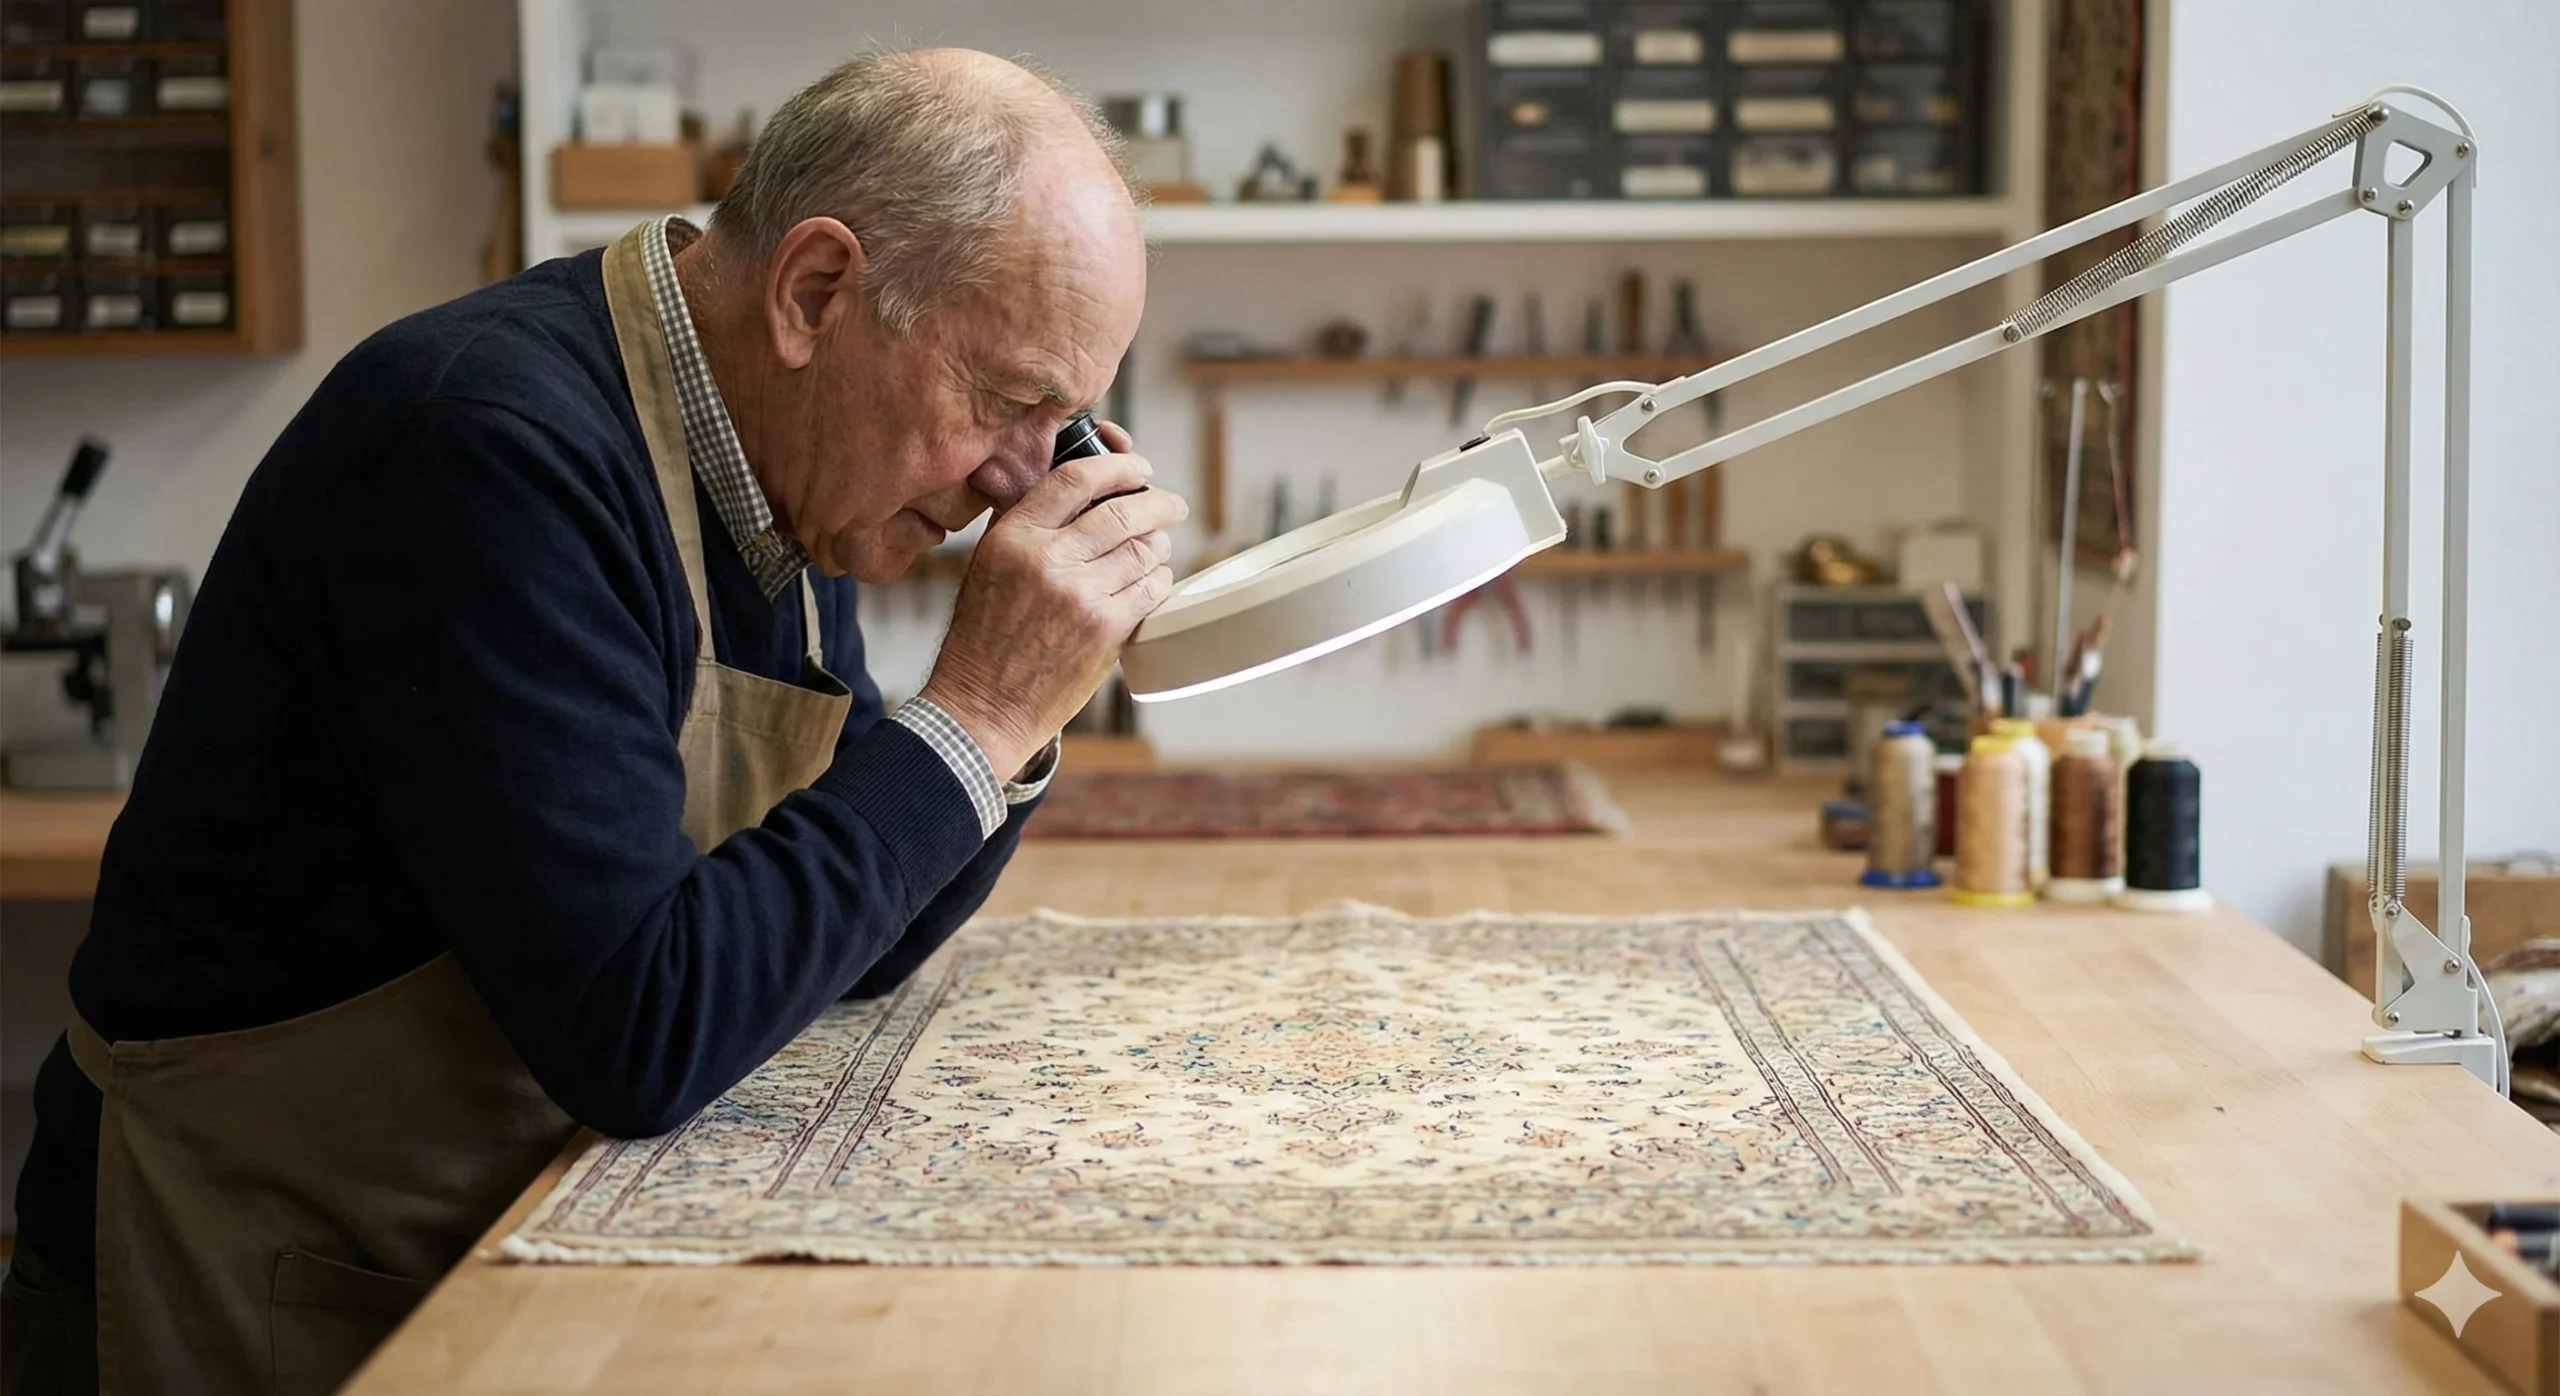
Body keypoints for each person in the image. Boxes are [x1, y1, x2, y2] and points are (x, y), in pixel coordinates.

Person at [0, 48, 1183, 1396]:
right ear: (814, 293)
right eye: (1010, 401)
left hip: (465, 1218)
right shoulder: (485, 454)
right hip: (250, 1258)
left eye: (1065, 423)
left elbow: (849, 941)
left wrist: (1015, 721)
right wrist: (974, 712)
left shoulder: (774, 474)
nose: (1013, 481)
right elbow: (640, 1026)